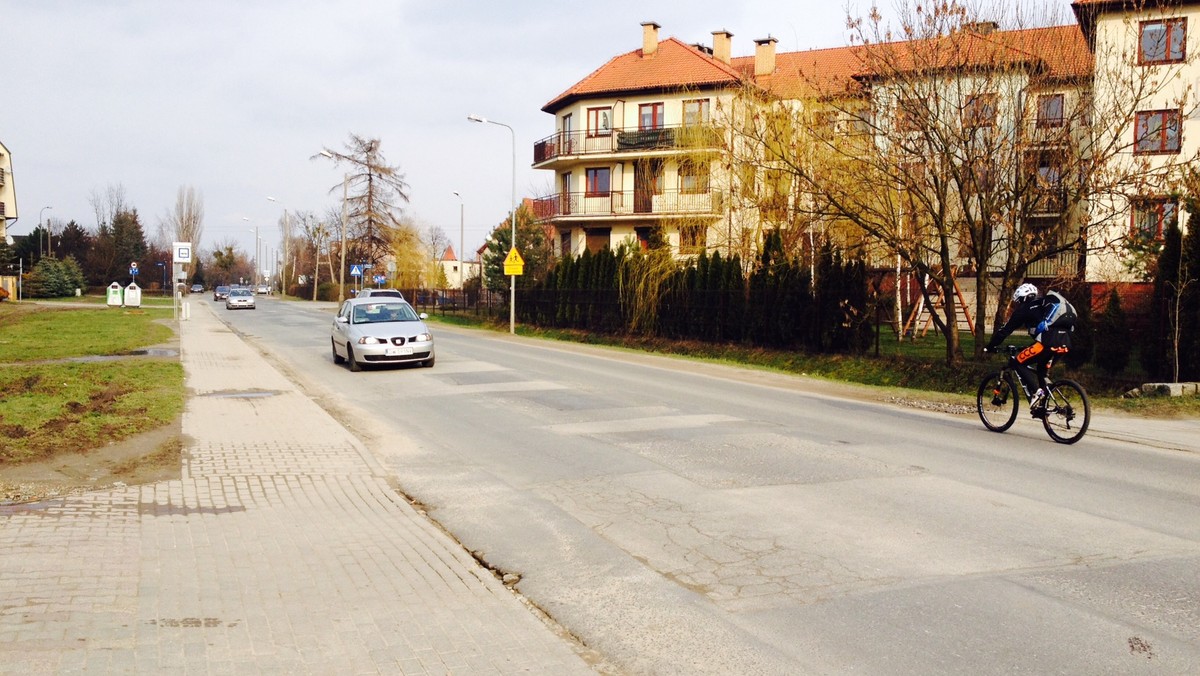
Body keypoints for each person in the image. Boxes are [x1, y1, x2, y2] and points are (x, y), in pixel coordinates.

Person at [984, 283, 1074, 417]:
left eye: (1019, 301)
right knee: (1041, 371)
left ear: (1023, 299)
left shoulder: (1024, 309)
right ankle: (1042, 407)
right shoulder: (1044, 304)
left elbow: (1004, 331)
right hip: (1063, 344)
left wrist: (990, 346)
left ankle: (1037, 393)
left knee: (1018, 362)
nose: (1019, 304)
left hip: (1045, 344)